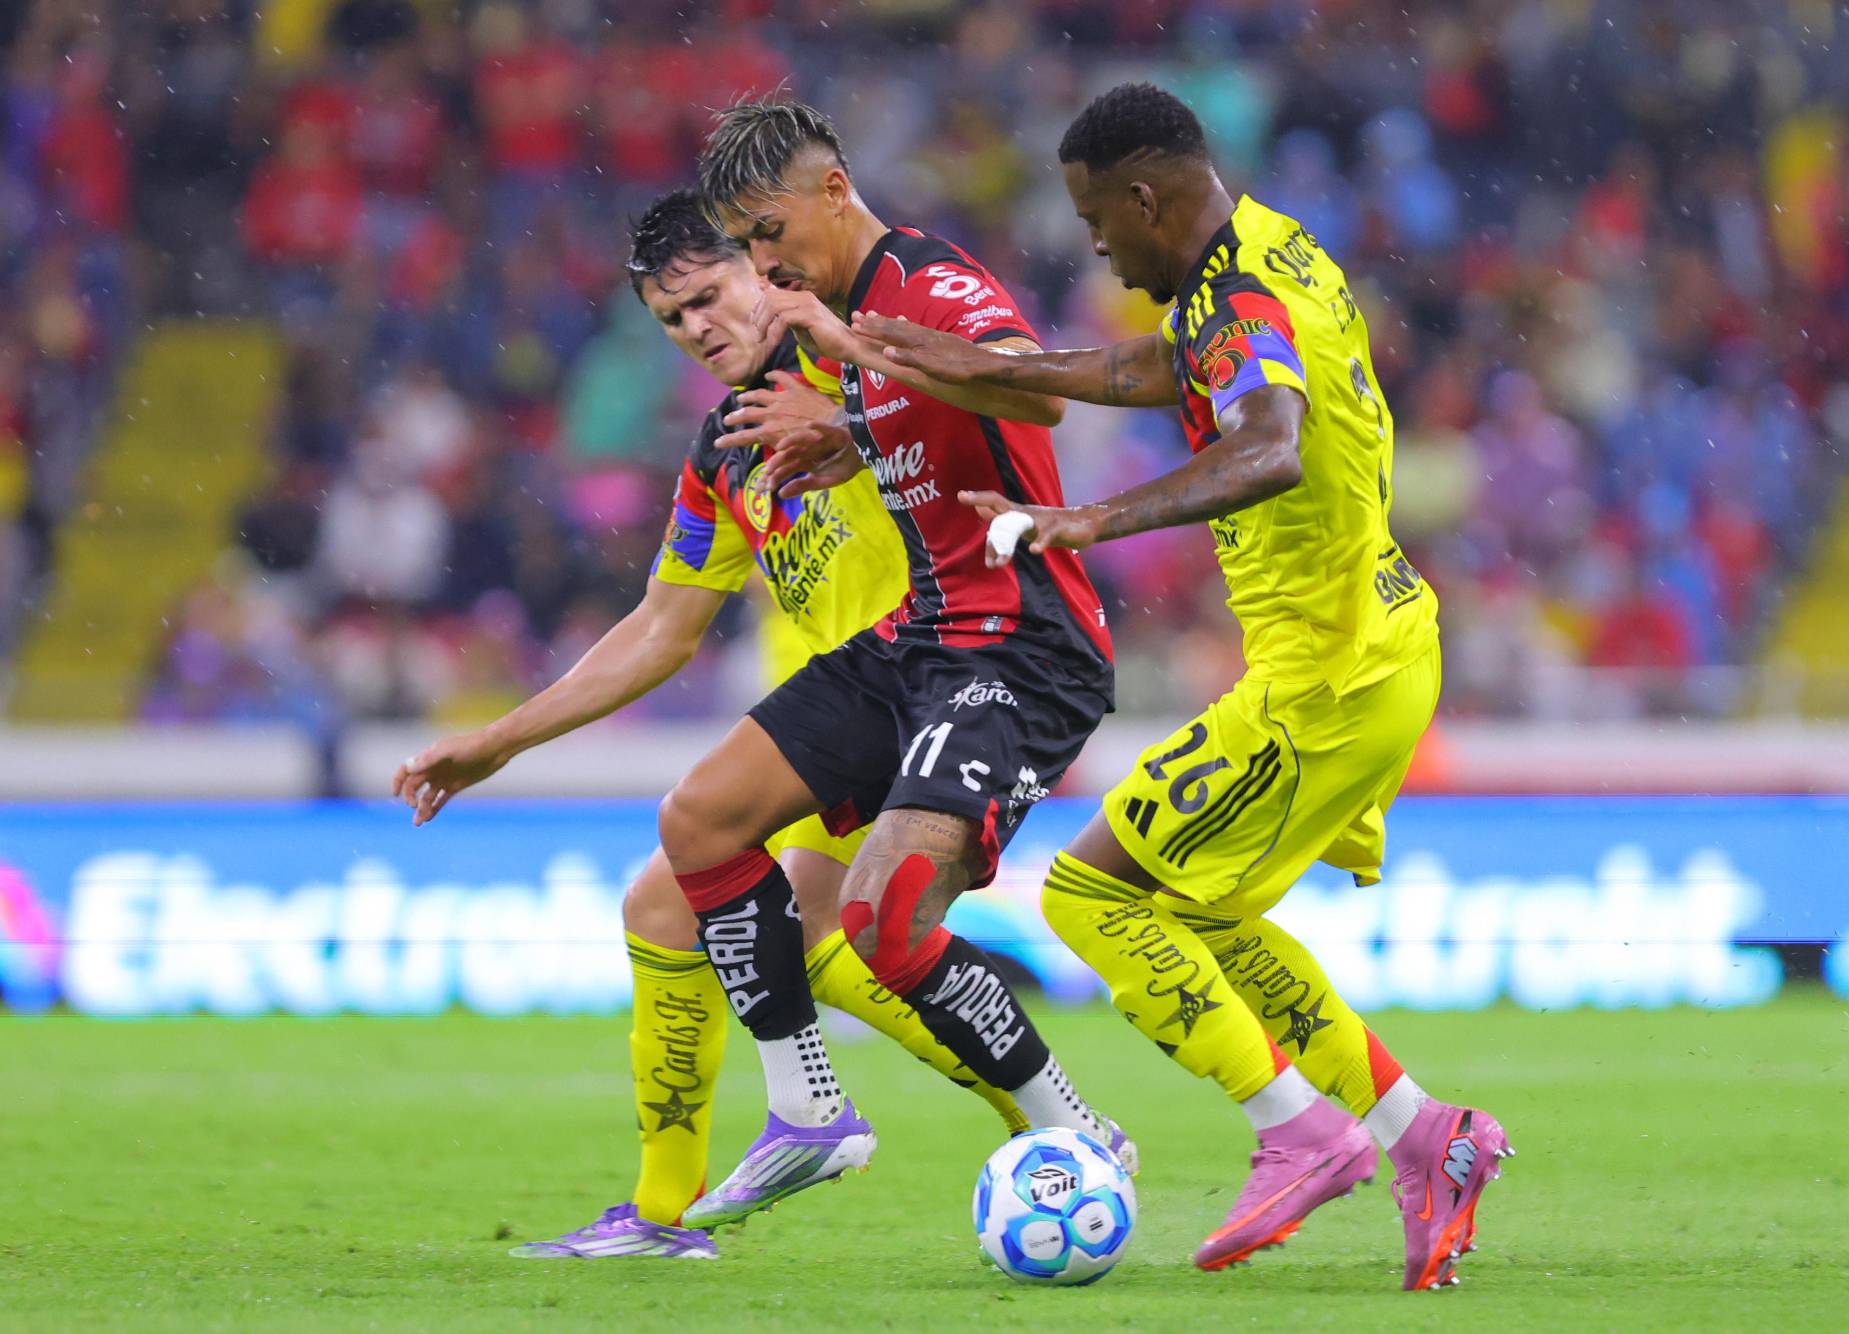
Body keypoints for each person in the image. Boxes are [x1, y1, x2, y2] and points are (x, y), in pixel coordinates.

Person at [846, 84, 1511, 1291]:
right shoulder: (1258, 256)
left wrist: (1078, 519)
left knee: (1095, 897)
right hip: (1374, 647)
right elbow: (1162, 365)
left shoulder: (1239, 294)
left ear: (1145, 197)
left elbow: (1267, 444)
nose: (1094, 245)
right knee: (1203, 914)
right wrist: (983, 366)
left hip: (1327, 676)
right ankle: (1426, 1136)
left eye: (1099, 221)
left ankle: (1300, 1133)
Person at [390, 190, 1028, 1261]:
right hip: (854, 706)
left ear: (767, 270)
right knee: (733, 919)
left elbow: (1000, 402)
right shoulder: (727, 445)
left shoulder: (861, 349)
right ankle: (1042, 1127)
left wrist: (862, 422)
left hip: (943, 683)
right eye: (669, 318)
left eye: (706, 296)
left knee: (724, 907)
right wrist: (501, 738)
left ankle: (688, 1199)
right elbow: (661, 627)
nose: (694, 329)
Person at [652, 96, 1131, 1230]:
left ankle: (1073, 1127)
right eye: (747, 247)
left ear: (831, 192)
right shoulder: (853, 316)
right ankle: (806, 1109)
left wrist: (850, 354)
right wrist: (848, 429)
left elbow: (1030, 389)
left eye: (767, 234)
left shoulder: (924, 284)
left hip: (1019, 641)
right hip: (922, 634)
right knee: (700, 821)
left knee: (887, 915)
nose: (762, 266)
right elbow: (932, 415)